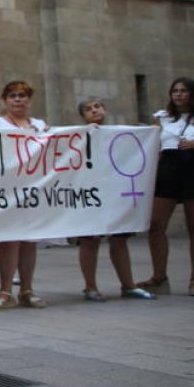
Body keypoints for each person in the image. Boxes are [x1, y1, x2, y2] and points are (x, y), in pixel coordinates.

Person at [73, 98, 154, 302]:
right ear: (82, 116)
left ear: (104, 109)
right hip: (91, 195)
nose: (94, 111)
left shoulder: (120, 134)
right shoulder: (79, 136)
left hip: (115, 194)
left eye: (97, 107)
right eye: (88, 109)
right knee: (90, 240)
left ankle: (128, 285)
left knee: (120, 239)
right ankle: (90, 287)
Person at [0, 80, 49, 309]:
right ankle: (5, 290)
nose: (17, 99)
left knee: (29, 240)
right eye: (12, 95)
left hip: (33, 187)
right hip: (8, 187)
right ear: (5, 100)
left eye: (22, 95)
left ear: (29, 99)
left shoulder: (40, 125)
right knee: (9, 239)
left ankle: (27, 289)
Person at [137, 77, 194, 296]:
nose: (178, 94)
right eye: (175, 91)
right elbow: (149, 141)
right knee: (156, 224)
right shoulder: (162, 118)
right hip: (168, 169)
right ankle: (159, 277)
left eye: (184, 91)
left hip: (192, 168)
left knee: (193, 226)